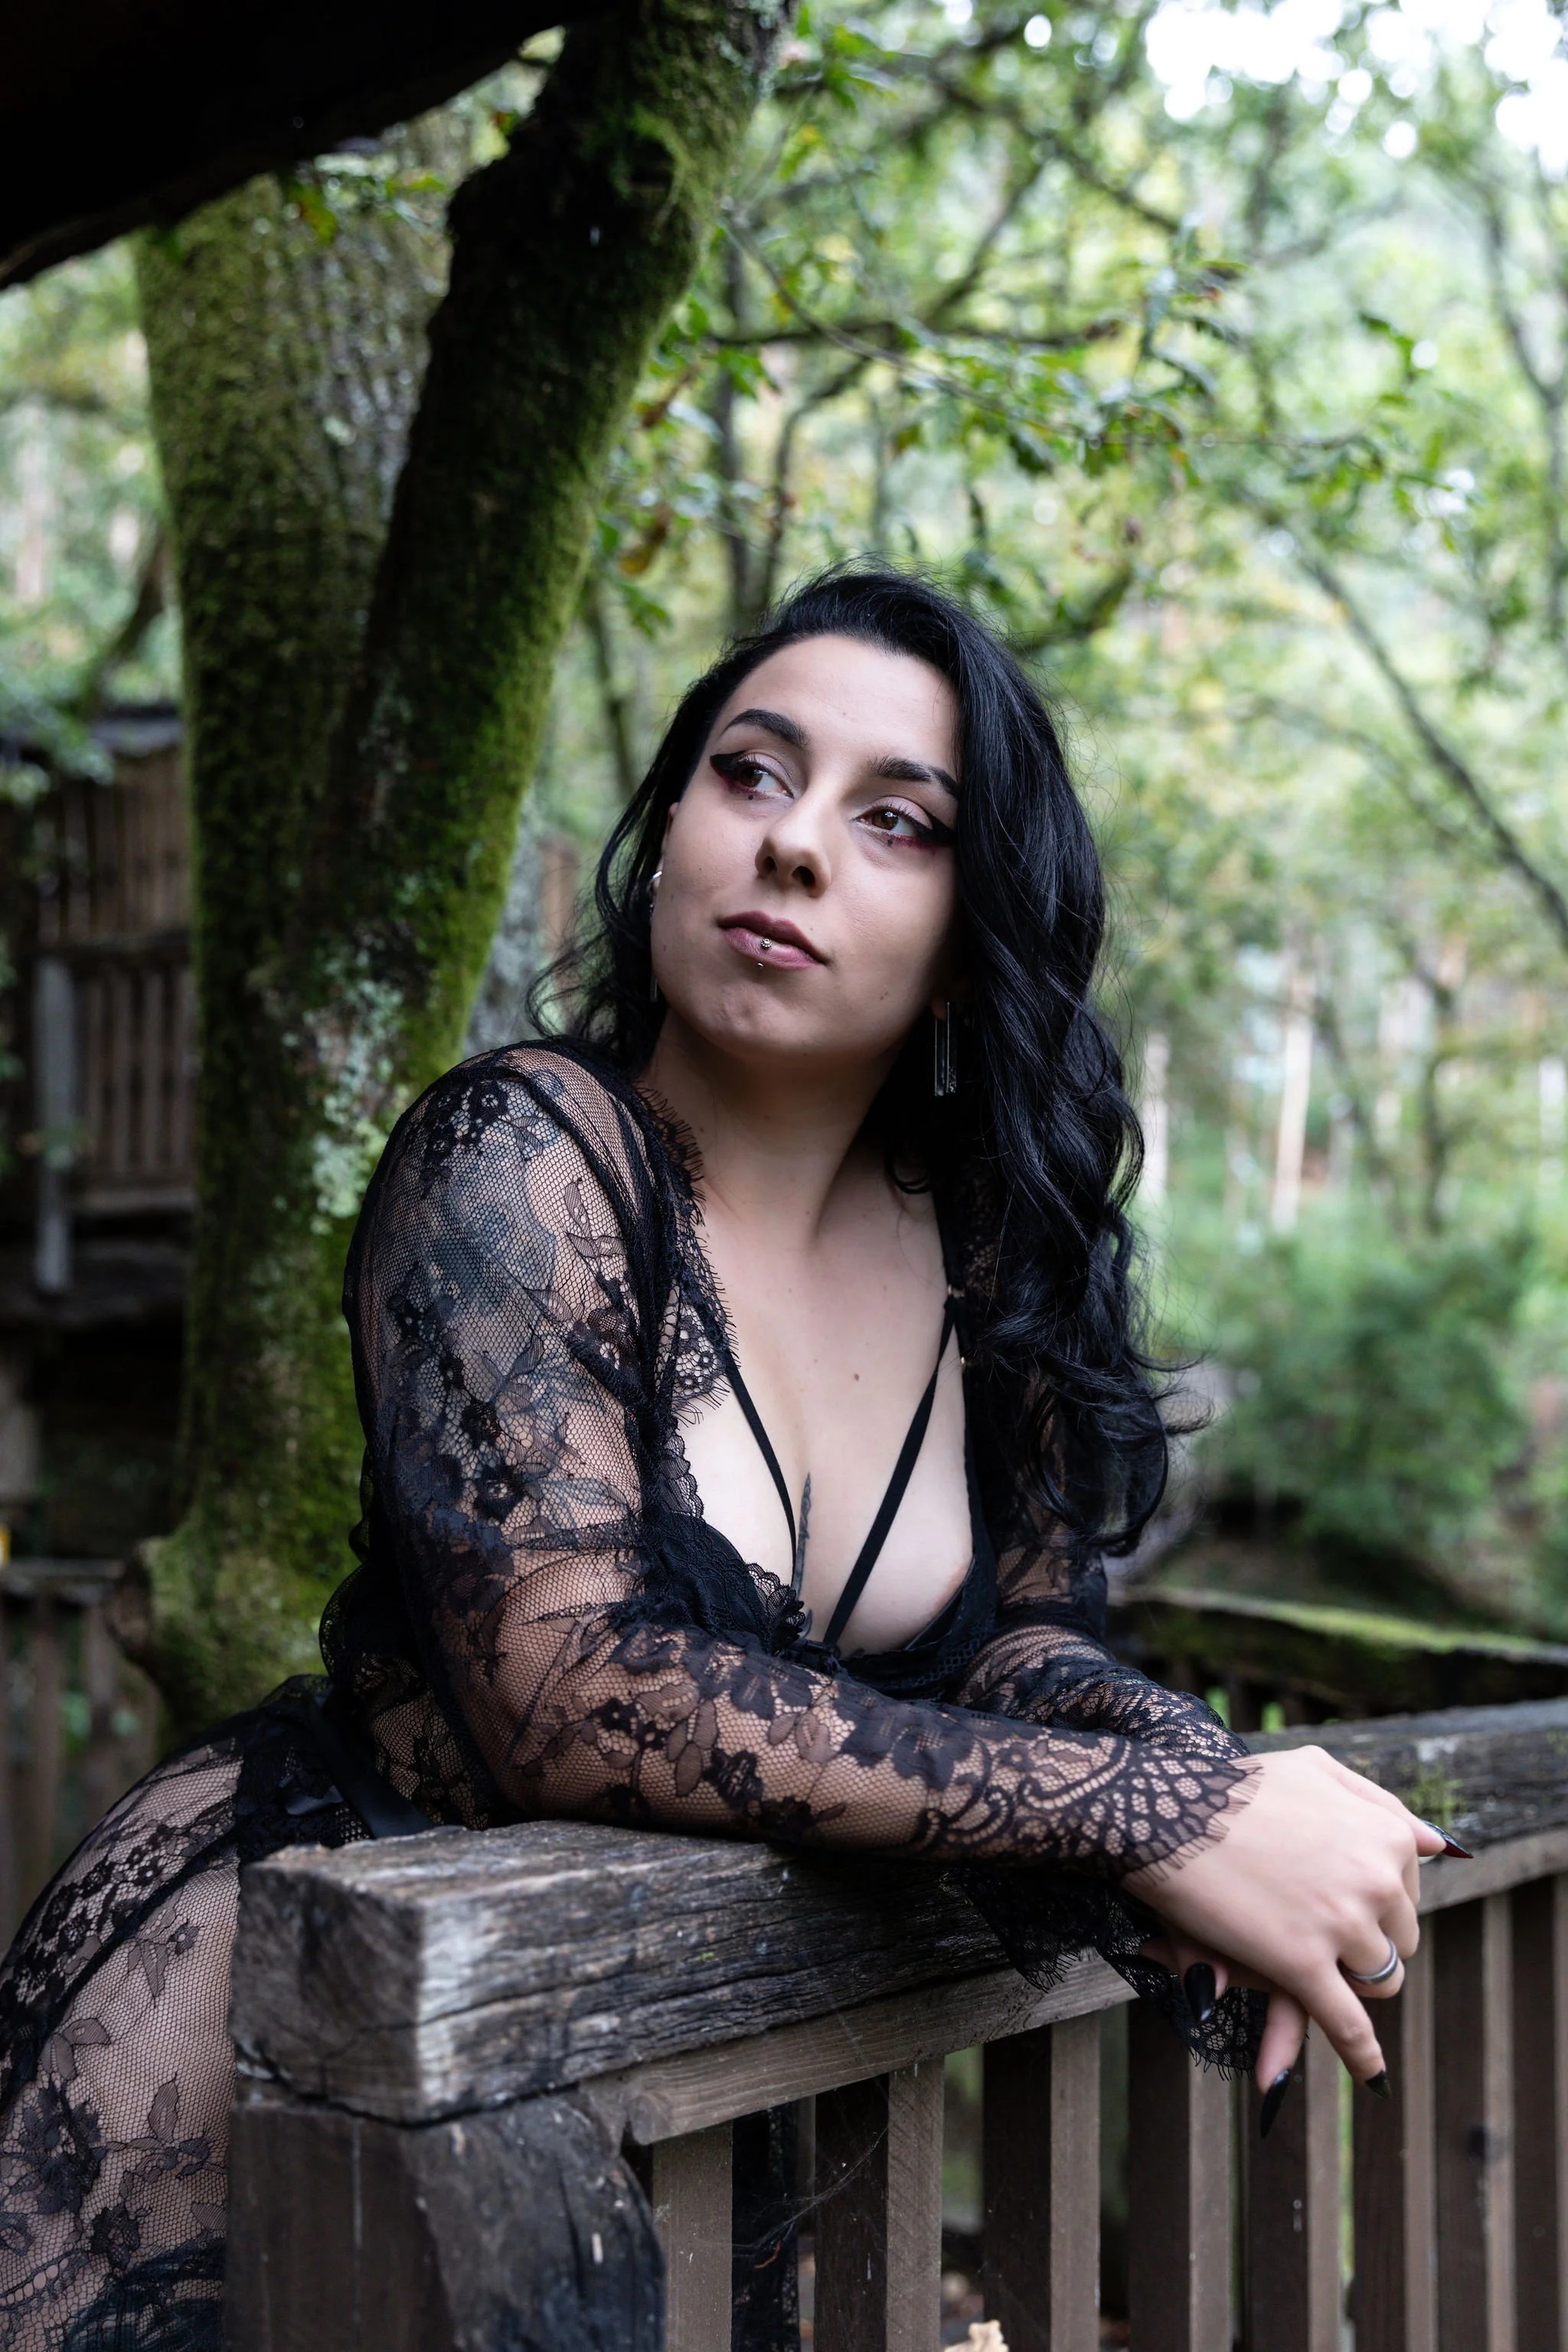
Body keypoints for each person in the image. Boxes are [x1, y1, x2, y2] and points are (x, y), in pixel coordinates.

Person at [0, 567, 1439, 2351]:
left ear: (971, 923)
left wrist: (1202, 1772)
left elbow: (1017, 1635)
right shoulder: (523, 1154)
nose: (794, 846)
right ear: (672, 825)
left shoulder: (990, 1248)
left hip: (633, 2086)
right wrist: (1154, 1822)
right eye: (751, 774)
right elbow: (568, 1682)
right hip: (261, 2061)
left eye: (893, 820)